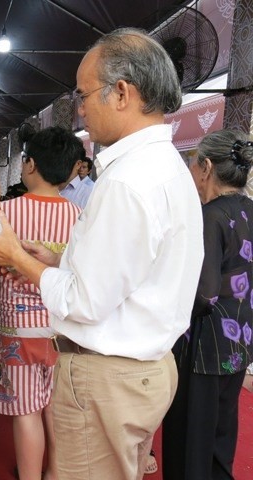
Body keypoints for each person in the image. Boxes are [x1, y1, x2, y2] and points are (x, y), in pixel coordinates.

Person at [0, 27, 204, 479]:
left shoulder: (126, 180)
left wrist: (14, 254)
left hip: (107, 378)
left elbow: (85, 300)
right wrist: (57, 261)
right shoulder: (164, 166)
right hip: (143, 369)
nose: (80, 107)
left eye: (84, 94)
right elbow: (131, 271)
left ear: (121, 93)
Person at [0, 126, 82, 480]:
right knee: (56, 409)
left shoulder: (5, 213)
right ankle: (56, 474)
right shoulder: (80, 217)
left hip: (18, 332)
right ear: (73, 169)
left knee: (27, 411)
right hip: (64, 328)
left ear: (28, 165)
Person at [162, 130, 253, 480]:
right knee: (221, 433)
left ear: (207, 167)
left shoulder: (210, 216)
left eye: (193, 163)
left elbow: (205, 293)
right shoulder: (247, 209)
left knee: (190, 441)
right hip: (238, 340)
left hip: (203, 345)